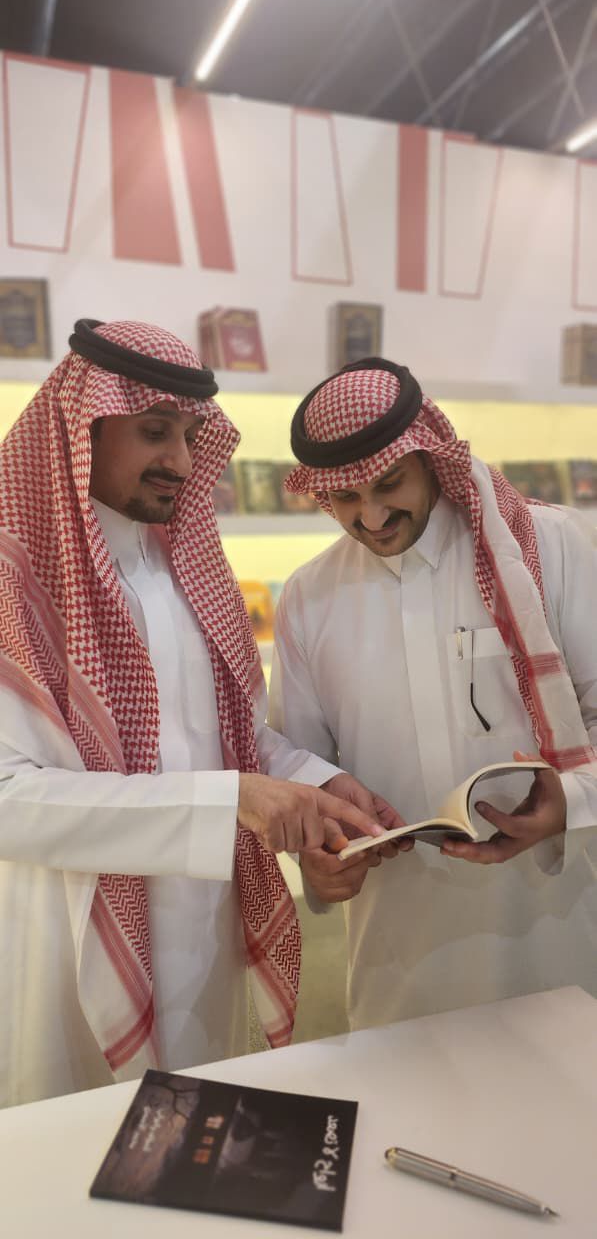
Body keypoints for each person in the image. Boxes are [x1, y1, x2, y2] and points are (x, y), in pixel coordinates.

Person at [0, 319, 390, 1108]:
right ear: (82, 429)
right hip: (66, 943)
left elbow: (225, 733)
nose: (180, 462)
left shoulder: (179, 563)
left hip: (201, 925)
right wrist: (229, 802)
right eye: (154, 432)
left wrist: (317, 781)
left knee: (194, 1132)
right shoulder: (15, 579)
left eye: (190, 436)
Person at [269, 356, 597, 1033]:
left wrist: (571, 800)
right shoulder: (308, 595)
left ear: (428, 459)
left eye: (389, 484)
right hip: (400, 950)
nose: (372, 516)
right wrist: (318, 861)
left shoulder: (550, 546)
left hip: (559, 924)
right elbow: (299, 765)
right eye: (344, 498)